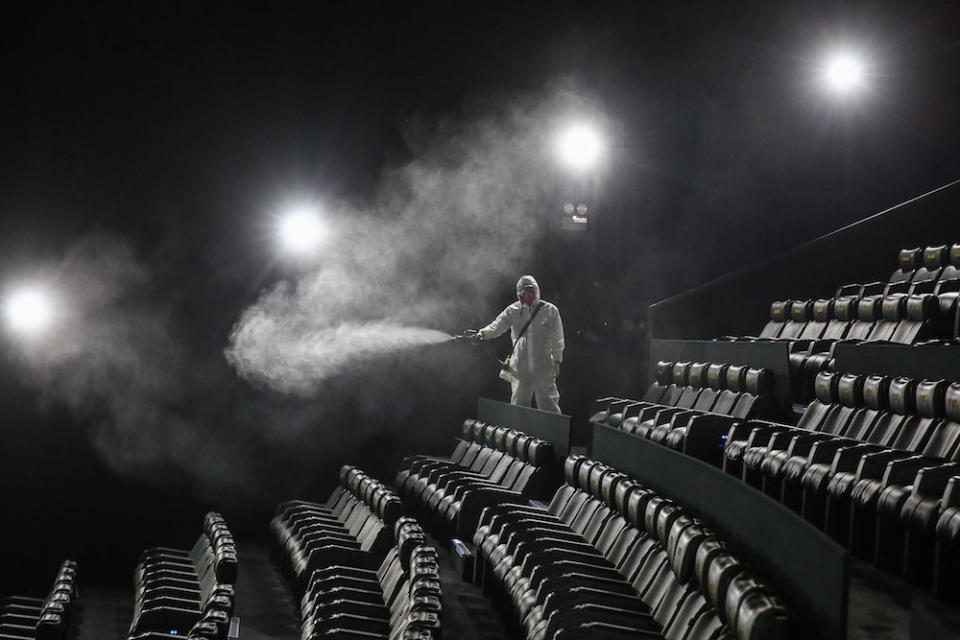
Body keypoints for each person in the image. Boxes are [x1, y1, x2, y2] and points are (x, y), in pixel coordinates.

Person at [471, 275, 564, 413]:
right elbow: (497, 326)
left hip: (543, 363)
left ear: (536, 291)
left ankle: (552, 431)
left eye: (530, 290)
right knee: (519, 402)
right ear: (518, 293)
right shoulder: (513, 311)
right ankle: (518, 432)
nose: (527, 295)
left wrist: (557, 360)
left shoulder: (550, 311)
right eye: (523, 291)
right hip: (520, 364)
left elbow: (558, 338)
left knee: (548, 402)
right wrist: (482, 334)